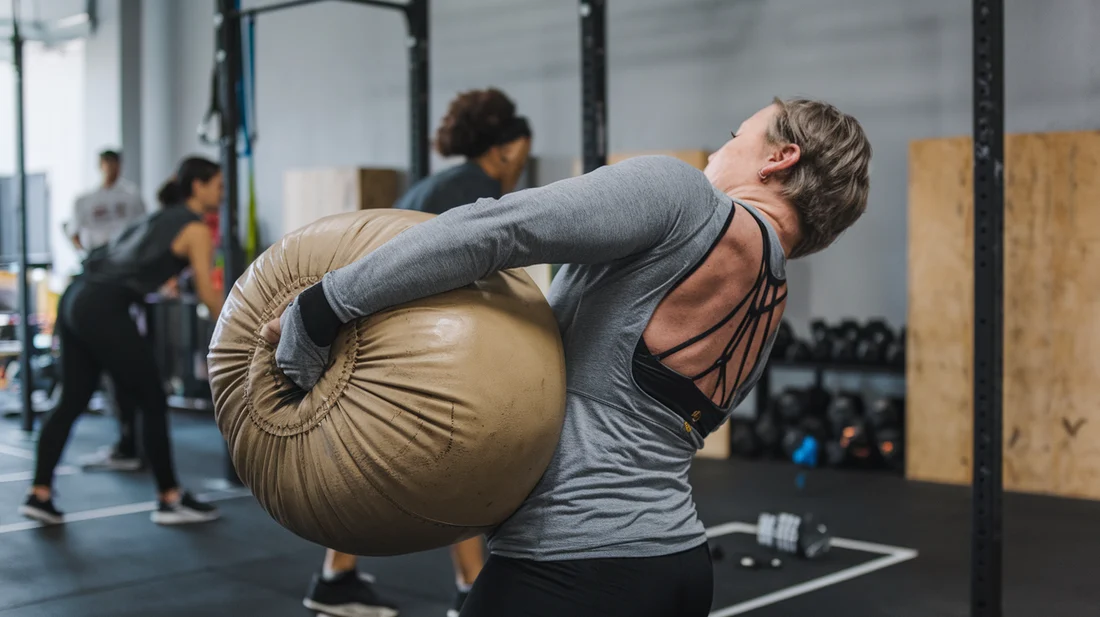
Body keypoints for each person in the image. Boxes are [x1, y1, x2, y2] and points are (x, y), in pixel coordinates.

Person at [266, 97, 871, 616]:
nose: (720, 151)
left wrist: (321, 309)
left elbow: (496, 229)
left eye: (736, 136)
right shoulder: (769, 297)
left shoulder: (683, 196)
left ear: (779, 157)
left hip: (569, 565)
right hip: (677, 567)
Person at [300, 87, 532, 617]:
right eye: (521, 152)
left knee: (387, 463)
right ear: (507, 148)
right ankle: (470, 590)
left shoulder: (434, 183)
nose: (520, 164)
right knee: (459, 460)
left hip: (381, 335)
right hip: (419, 340)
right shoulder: (477, 188)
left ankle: (337, 578)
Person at [20, 156, 228, 527]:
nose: (222, 193)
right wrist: (240, 332)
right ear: (198, 186)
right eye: (218, 185)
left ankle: (39, 493)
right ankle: (169, 498)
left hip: (77, 296)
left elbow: (131, 264)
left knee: (71, 398)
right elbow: (209, 295)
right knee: (151, 396)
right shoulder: (196, 229)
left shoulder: (159, 217)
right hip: (103, 306)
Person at [64, 149, 149, 473]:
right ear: (100, 166)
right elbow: (74, 233)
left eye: (117, 163)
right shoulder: (85, 200)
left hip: (122, 293)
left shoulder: (131, 198)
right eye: (107, 164)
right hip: (94, 293)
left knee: (137, 382)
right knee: (80, 388)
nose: (112, 169)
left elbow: (143, 235)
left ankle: (130, 444)